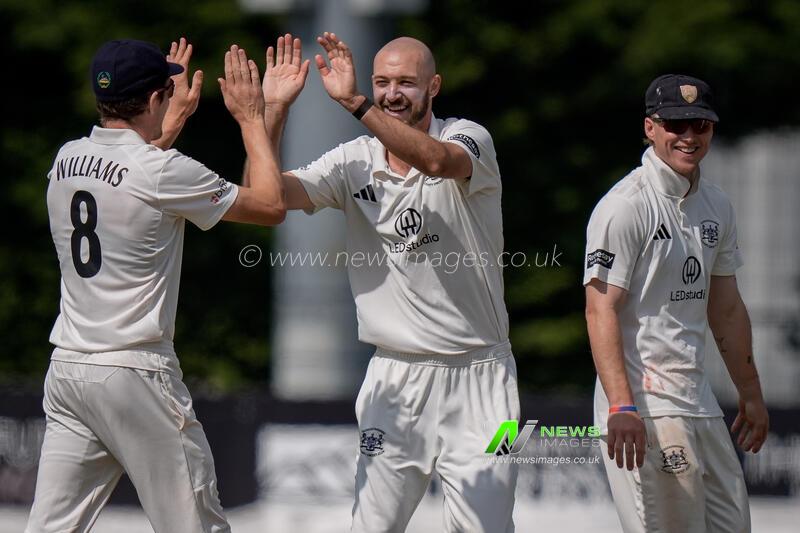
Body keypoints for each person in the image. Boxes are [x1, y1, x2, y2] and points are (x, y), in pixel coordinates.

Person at [255, 33, 519, 532]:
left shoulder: (469, 137)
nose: (393, 93)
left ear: (434, 86)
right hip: (393, 378)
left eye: (406, 83)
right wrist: (271, 114)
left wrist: (355, 101)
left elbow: (437, 163)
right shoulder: (352, 159)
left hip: (486, 377)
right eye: (382, 82)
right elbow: (269, 199)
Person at [26, 38, 285, 533]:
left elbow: (129, 179)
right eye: (168, 88)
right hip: (134, 371)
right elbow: (271, 206)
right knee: (195, 526)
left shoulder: (65, 159)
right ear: (152, 100)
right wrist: (253, 116)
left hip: (70, 370)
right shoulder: (161, 170)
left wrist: (171, 123)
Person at [583, 73, 769, 532]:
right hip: (645, 402)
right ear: (651, 128)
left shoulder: (717, 205)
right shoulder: (626, 205)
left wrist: (750, 394)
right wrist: (621, 407)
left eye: (700, 126)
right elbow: (599, 308)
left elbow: (725, 309)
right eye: (676, 125)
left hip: (698, 400)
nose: (688, 137)